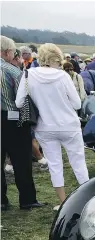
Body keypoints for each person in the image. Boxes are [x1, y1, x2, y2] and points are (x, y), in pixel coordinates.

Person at [15, 43, 87, 210]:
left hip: (44, 127)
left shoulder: (28, 75)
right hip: (69, 125)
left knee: (55, 165)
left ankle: (62, 203)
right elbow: (76, 103)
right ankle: (86, 199)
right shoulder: (63, 76)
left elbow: (19, 102)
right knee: (78, 163)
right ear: (57, 58)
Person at [1, 36, 42, 211]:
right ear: (7, 52)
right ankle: (27, 199)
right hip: (13, 120)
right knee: (22, 161)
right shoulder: (13, 71)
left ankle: (1, 201)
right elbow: (24, 98)